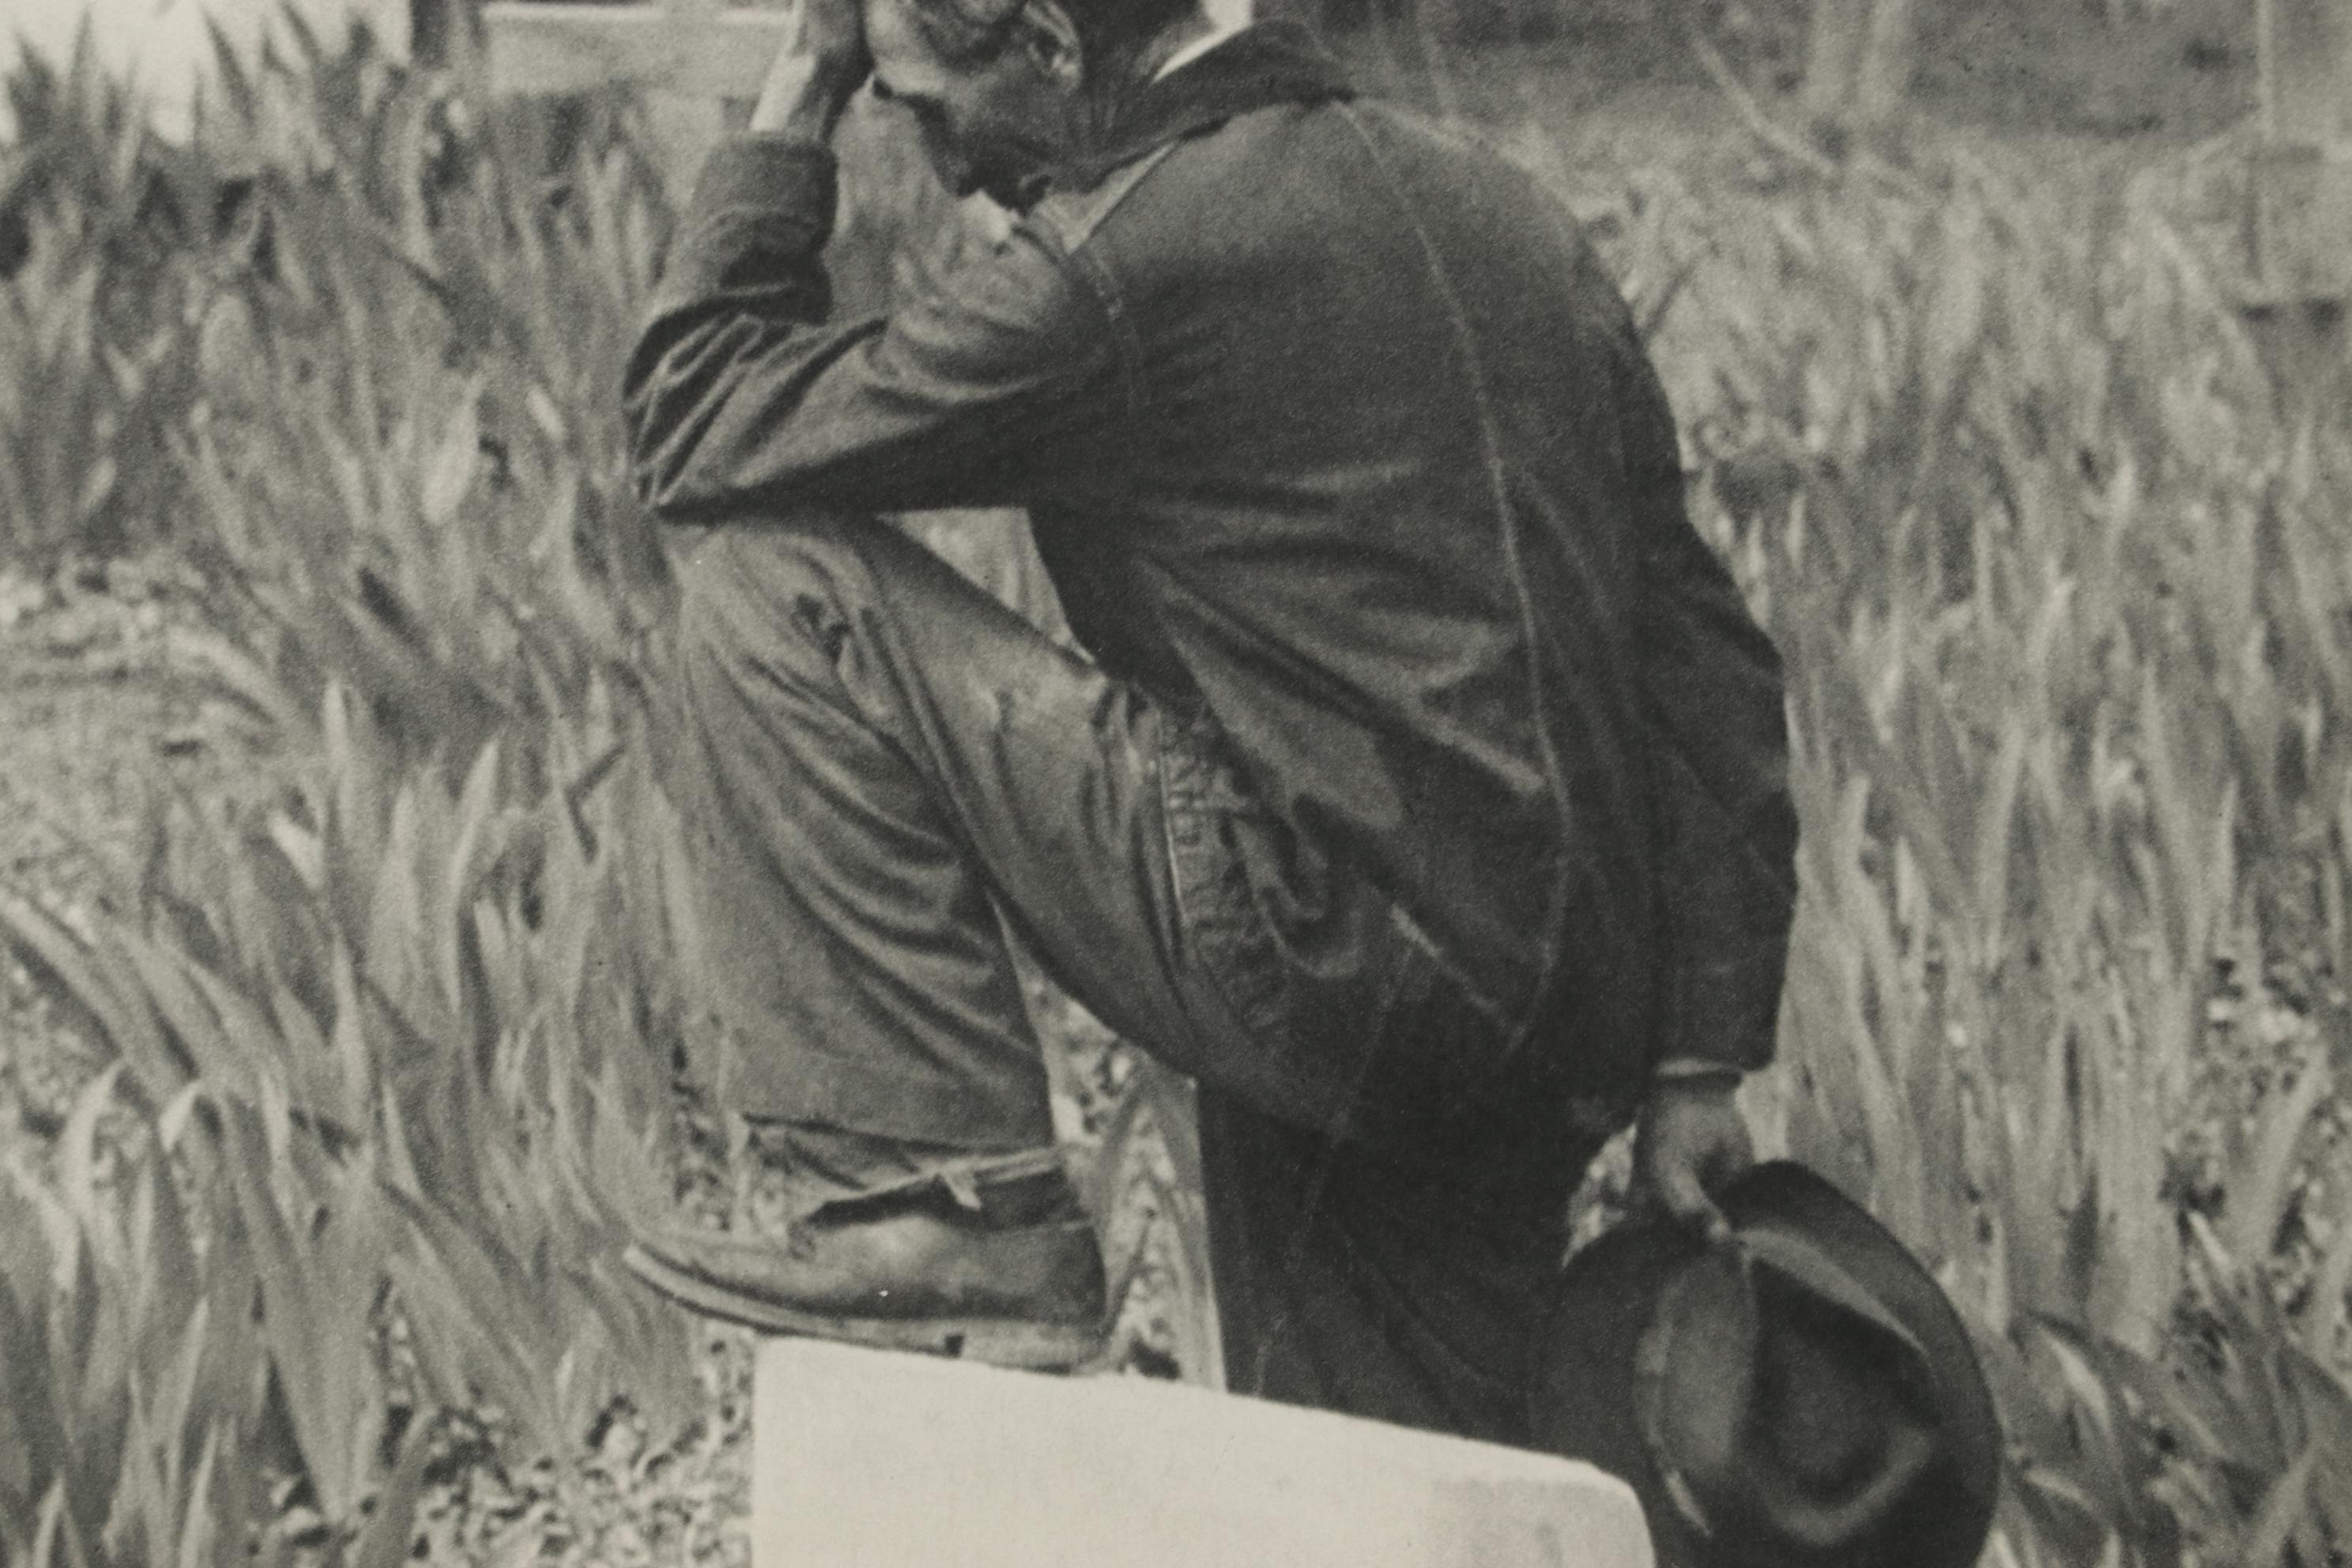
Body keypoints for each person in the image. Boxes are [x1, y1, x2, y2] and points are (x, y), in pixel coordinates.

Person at [618, 0, 1797, 1449]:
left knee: (772, 587)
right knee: (1386, 1491)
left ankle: (941, 1215)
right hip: (1556, 1018)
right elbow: (1700, 649)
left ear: (1052, 39)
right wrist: (1700, 1059)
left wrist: (799, 90)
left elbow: (694, 430)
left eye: (924, 106)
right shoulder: (1509, 213)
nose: (935, 163)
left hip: (1327, 954)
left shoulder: (1131, 257)